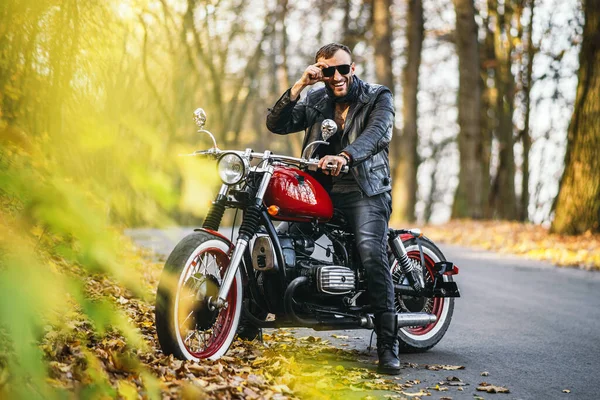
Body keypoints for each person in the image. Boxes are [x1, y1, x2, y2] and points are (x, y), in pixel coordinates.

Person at [266, 43, 399, 375]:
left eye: (342, 69)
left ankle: (387, 344)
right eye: (328, 71)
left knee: (369, 251)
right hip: (319, 190)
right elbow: (276, 124)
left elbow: (376, 135)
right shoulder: (315, 98)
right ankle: (253, 316)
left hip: (364, 189)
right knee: (280, 244)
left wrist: (345, 157)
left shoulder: (377, 97)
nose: (336, 76)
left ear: (353, 68)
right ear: (319, 72)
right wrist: (299, 86)